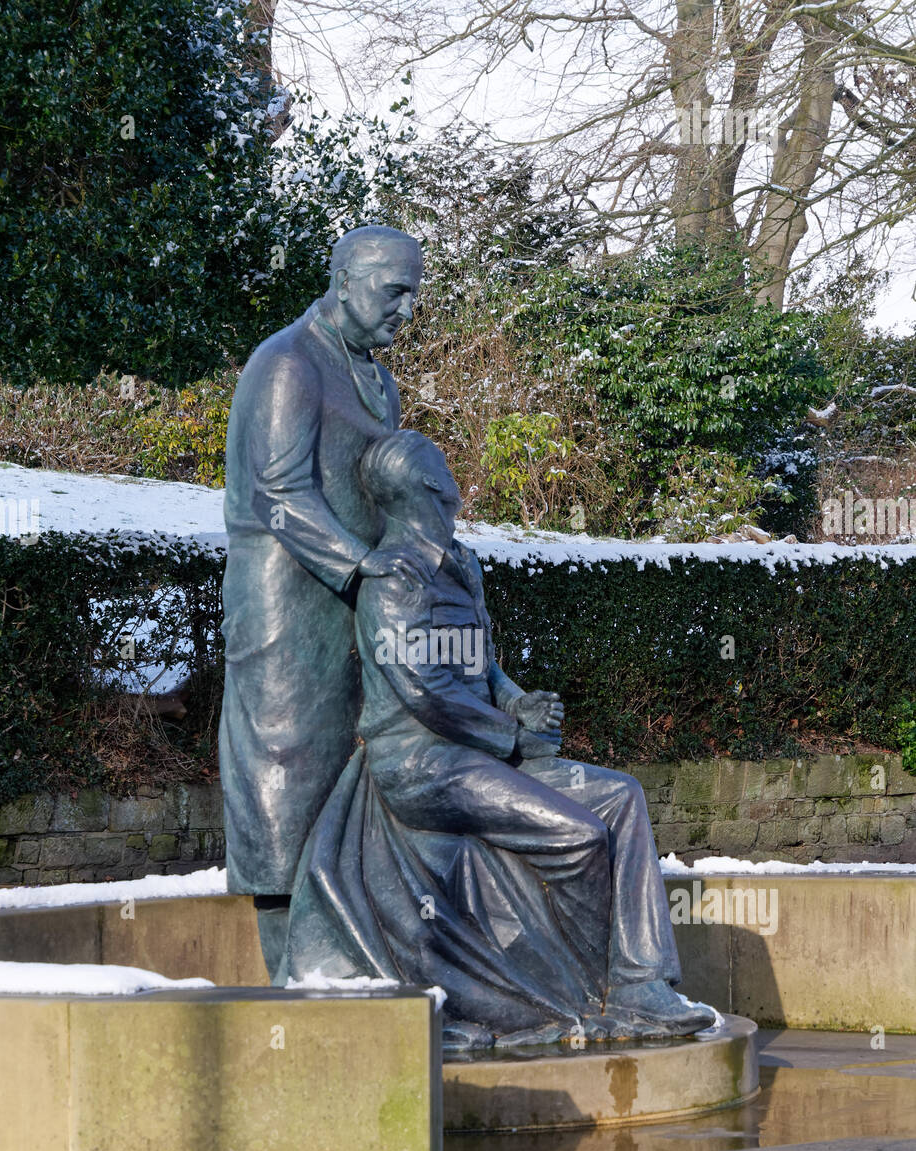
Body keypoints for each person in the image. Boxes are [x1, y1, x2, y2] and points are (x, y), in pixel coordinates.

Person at [283, 430, 716, 1044]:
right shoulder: (395, 580)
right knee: (579, 834)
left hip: (478, 751)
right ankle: (574, 987)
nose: (453, 472)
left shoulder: (461, 563)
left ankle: (640, 987)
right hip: (424, 765)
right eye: (443, 463)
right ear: (433, 485)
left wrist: (518, 701)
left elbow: (480, 666)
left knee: (622, 797)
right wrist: (512, 737)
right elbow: (424, 691)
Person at [219, 227, 432, 976]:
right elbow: (279, 493)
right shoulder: (286, 363)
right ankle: (291, 983)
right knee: (285, 774)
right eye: (393, 290)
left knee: (352, 773)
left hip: (353, 597)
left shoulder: (377, 376)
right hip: (284, 602)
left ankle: (348, 963)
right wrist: (363, 561)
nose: (406, 308)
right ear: (345, 280)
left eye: (414, 292)